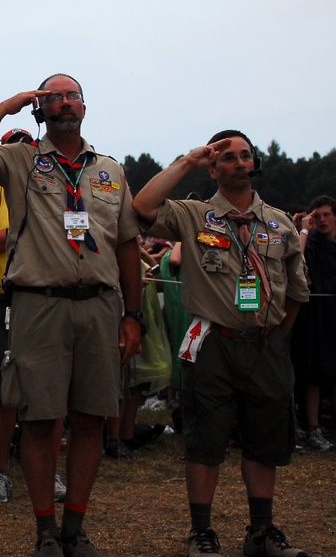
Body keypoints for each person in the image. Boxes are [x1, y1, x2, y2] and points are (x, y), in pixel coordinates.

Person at [0, 74, 142, 557]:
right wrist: (5, 107)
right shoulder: (19, 160)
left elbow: (127, 244)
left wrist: (132, 314)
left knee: (92, 418)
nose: (64, 102)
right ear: (40, 109)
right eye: (52, 96)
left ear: (84, 107)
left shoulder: (110, 171)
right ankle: (45, 532)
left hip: (99, 303)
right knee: (38, 419)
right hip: (38, 303)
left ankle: (75, 529)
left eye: (72, 95)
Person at [132, 130, 310, 557]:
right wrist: (186, 162)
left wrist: (273, 337)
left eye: (245, 155)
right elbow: (141, 207)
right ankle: (202, 533)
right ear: (213, 168)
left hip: (265, 346)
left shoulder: (279, 221)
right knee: (205, 439)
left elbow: (297, 294)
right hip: (213, 344)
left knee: (265, 438)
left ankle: (261, 533)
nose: (240, 162)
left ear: (255, 163)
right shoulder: (193, 215)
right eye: (227, 157)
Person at [0, 127, 66, 505]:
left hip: (47, 296)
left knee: (49, 388)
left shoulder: (54, 185)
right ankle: (1, 472)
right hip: (3, 298)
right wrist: (28, 230)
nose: (21, 153)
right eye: (14, 147)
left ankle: (47, 470)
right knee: (1, 388)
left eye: (28, 146)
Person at [292, 195, 336, 452]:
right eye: (316, 216)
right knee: (313, 371)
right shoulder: (312, 241)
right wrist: (304, 229)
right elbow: (297, 257)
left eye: (326, 215)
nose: (321, 220)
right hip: (314, 316)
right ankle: (313, 427)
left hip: (333, 314)